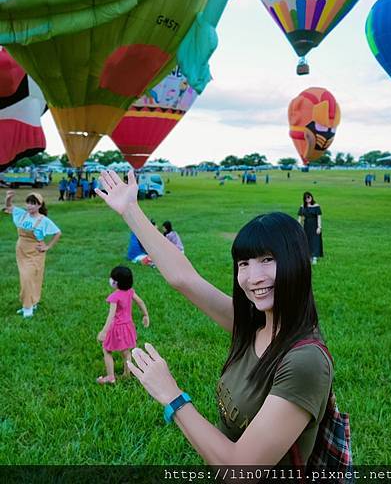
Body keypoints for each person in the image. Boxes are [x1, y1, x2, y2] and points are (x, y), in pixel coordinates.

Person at [95, 171, 333, 466]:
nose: (253, 277)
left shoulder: (304, 362)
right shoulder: (254, 323)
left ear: (296, 262)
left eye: (268, 260)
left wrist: (172, 395)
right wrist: (131, 210)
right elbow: (184, 279)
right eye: (244, 263)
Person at [3, 191, 61, 318]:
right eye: (28, 203)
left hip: (35, 253)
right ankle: (30, 303)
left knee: (29, 278)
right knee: (26, 278)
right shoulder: (22, 214)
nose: (29, 206)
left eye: (33, 204)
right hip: (21, 251)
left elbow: (58, 233)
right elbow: (9, 207)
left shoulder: (44, 220)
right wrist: (8, 198)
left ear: (39, 205)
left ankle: (28, 307)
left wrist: (48, 246)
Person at [97, 265, 150, 384]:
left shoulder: (114, 297)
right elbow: (140, 301)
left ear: (116, 282)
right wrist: (145, 315)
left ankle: (110, 377)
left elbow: (111, 316)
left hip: (117, 328)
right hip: (128, 326)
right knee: (126, 352)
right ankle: (127, 374)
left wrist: (104, 331)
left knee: (106, 350)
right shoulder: (130, 292)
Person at [298, 192, 323, 265]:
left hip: (314, 225)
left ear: (311, 197)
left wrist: (319, 227)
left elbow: (319, 217)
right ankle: (309, 256)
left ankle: (315, 257)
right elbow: (300, 218)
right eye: (306, 198)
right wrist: (298, 226)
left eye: (309, 197)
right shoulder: (302, 206)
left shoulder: (316, 206)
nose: (308, 199)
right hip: (306, 226)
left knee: (315, 240)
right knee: (307, 240)